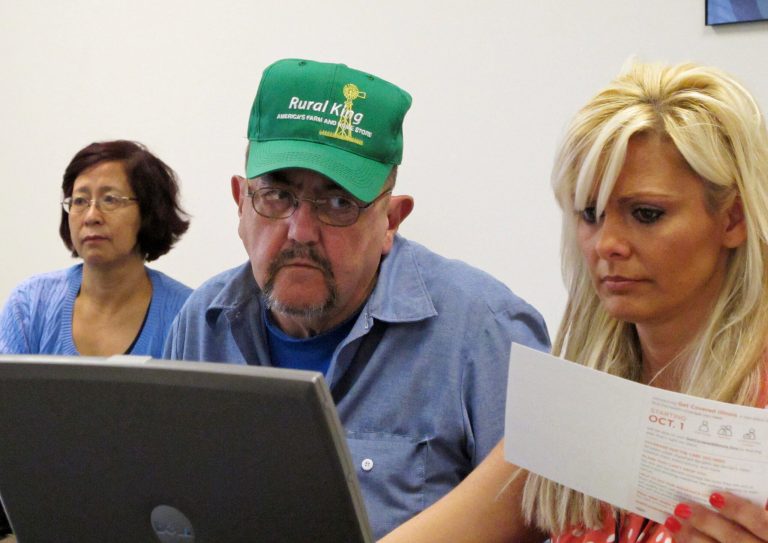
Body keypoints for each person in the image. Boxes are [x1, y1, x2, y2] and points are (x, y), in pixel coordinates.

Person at [380, 61, 768, 543]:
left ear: (733, 219)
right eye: (589, 214)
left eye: (646, 214)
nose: (607, 244)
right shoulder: (582, 400)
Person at [164, 58, 550, 538]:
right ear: (240, 201)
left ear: (391, 220)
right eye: (277, 196)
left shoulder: (485, 332)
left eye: (339, 203)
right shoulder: (203, 323)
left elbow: (544, 524)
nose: (299, 232)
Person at [0, 140, 192, 357]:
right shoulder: (29, 305)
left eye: (110, 199)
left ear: (149, 211)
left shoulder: (188, 315)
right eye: (80, 201)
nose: (91, 216)